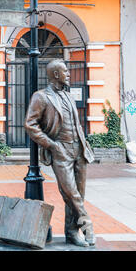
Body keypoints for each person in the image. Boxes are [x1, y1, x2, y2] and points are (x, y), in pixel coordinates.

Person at [24, 59, 95, 247]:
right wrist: (52, 145)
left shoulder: (69, 96)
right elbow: (30, 124)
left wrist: (83, 145)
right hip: (60, 150)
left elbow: (76, 124)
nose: (69, 74)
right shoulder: (41, 97)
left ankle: (72, 232)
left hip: (78, 150)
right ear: (55, 74)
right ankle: (87, 224)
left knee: (79, 193)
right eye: (65, 71)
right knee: (70, 193)